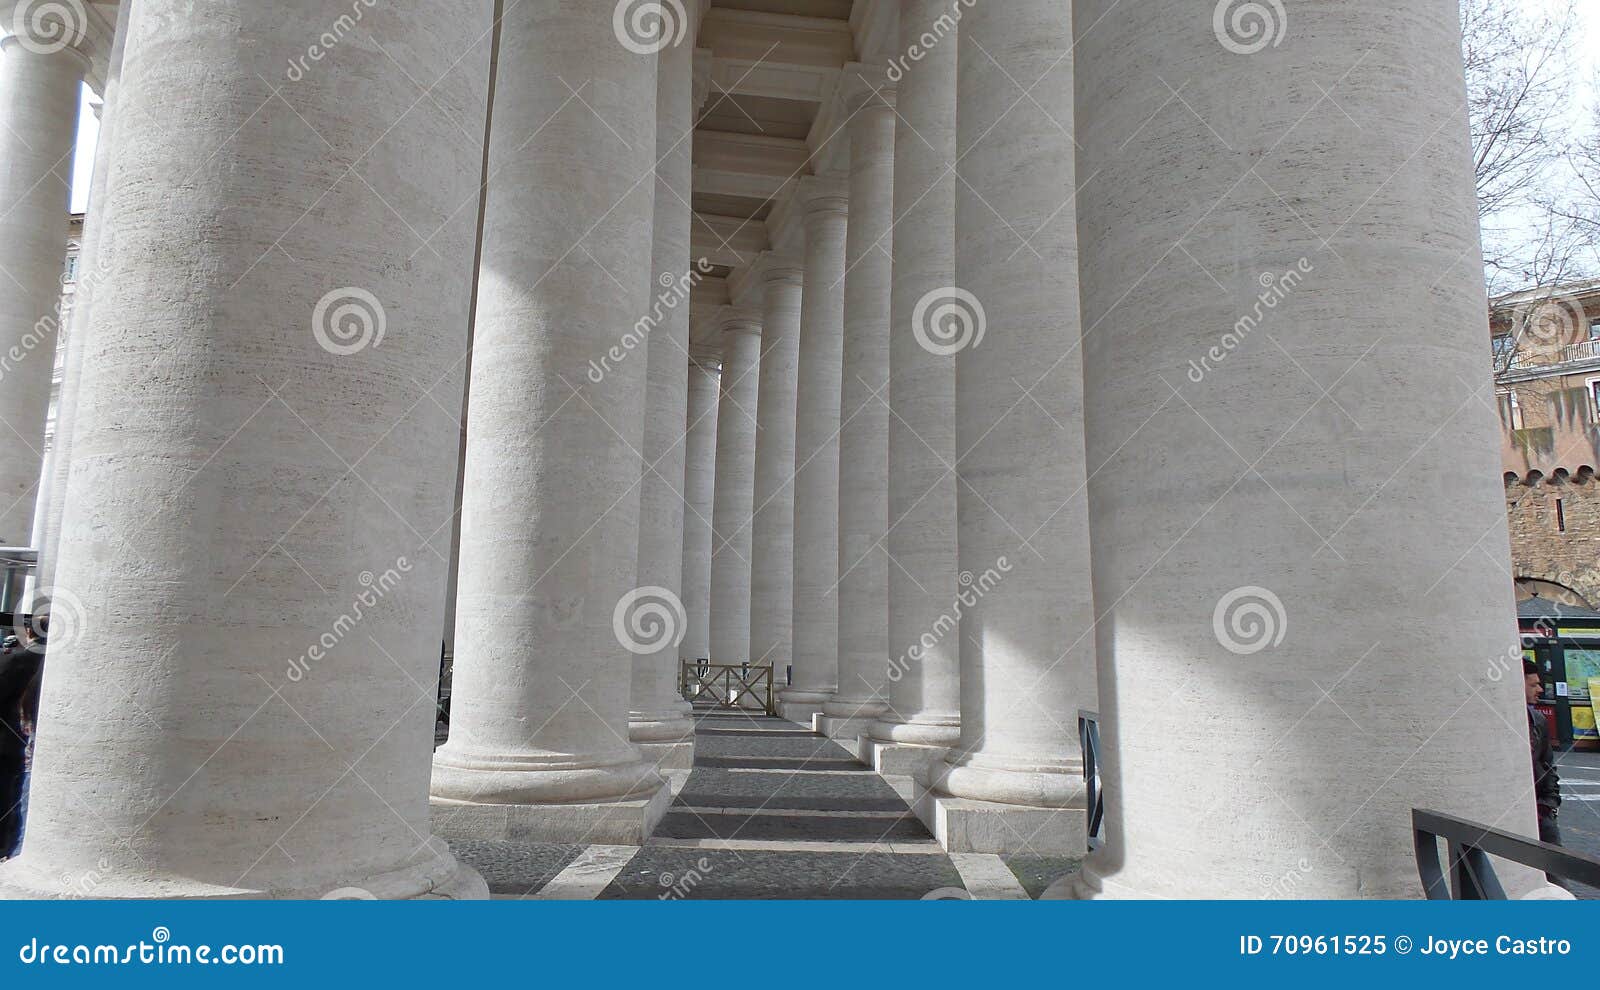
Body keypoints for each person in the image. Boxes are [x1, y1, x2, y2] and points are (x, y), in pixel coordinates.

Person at [0, 614, 45, 859]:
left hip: (14, 748)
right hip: (21, 749)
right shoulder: (52, 665)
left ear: (28, 634)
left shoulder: (16, 661)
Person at [1525, 660, 1561, 848]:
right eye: (1533, 685)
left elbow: (1548, 763)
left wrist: (1549, 803)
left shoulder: (1538, 720)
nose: (1539, 689)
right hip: (1520, 810)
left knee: (1556, 869)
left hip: (1542, 810)